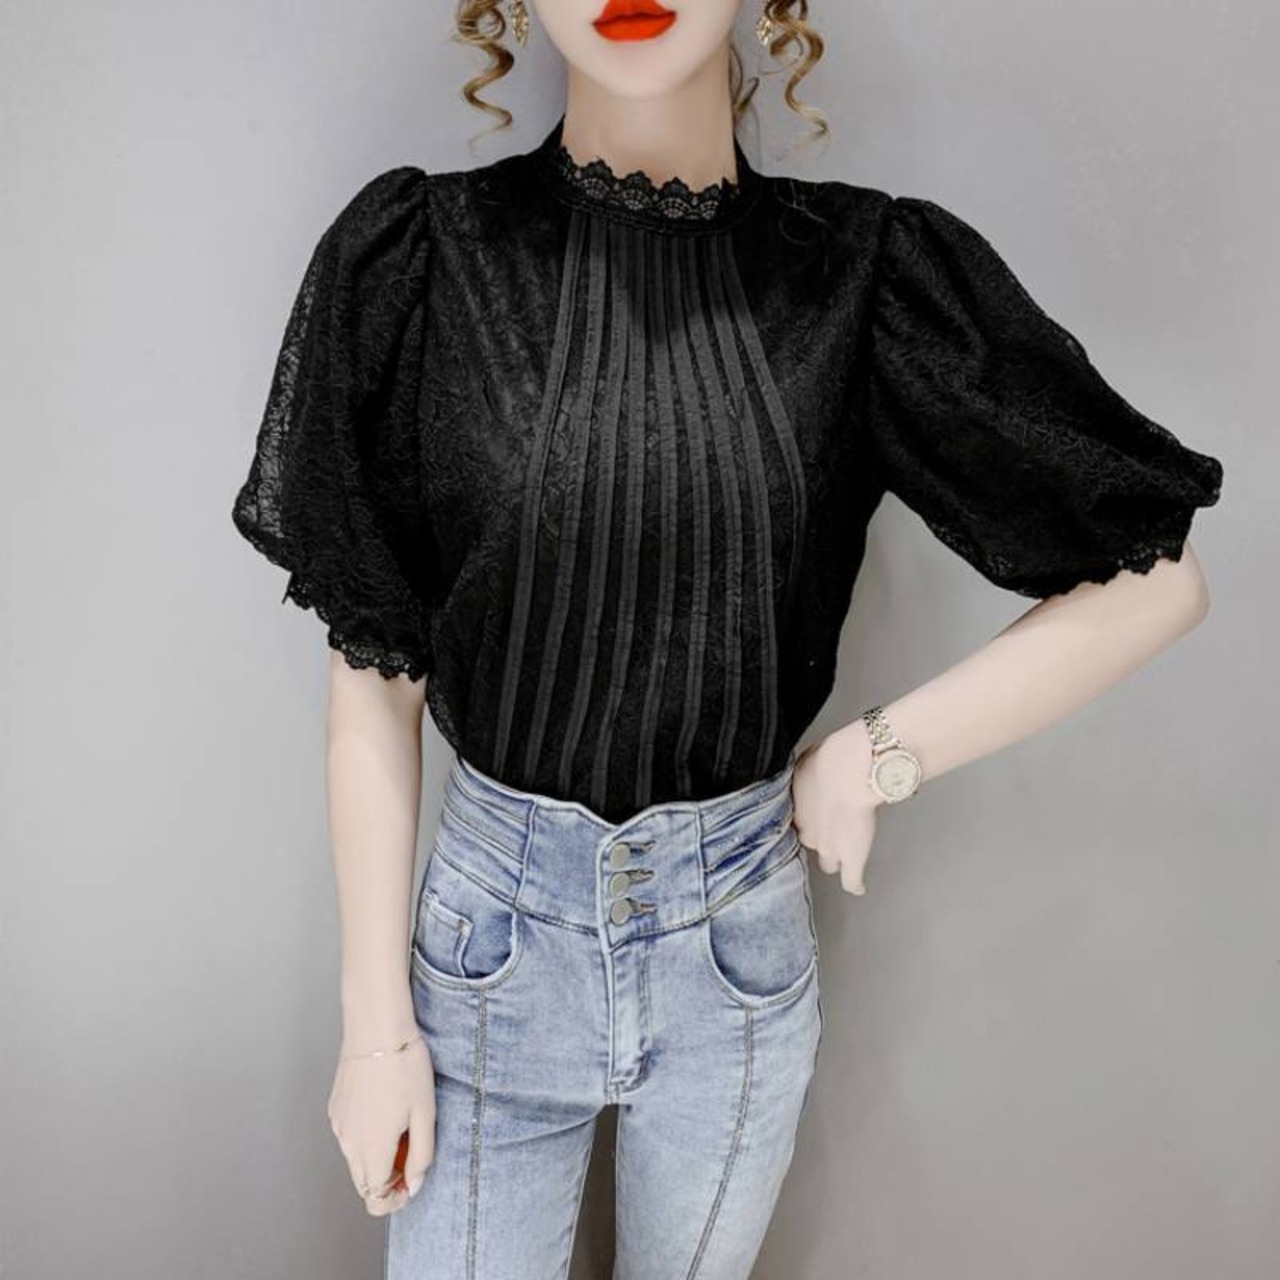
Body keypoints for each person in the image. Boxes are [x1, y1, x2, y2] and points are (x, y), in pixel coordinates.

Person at [230, 1, 1225, 1275]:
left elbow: (1155, 579)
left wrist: (878, 751)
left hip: (733, 951)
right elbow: (375, 669)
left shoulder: (863, 277)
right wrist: (373, 1027)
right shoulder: (425, 258)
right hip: (488, 951)